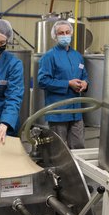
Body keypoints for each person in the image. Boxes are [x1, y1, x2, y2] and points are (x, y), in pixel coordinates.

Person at [38, 20, 88, 149]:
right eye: (61, 33)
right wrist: (67, 84)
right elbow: (43, 81)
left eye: (67, 32)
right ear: (55, 36)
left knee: (78, 147)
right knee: (58, 150)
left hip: (76, 111)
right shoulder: (49, 57)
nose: (65, 35)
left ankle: (77, 170)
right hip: (58, 112)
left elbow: (84, 75)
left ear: (71, 33)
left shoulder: (77, 56)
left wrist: (85, 83)